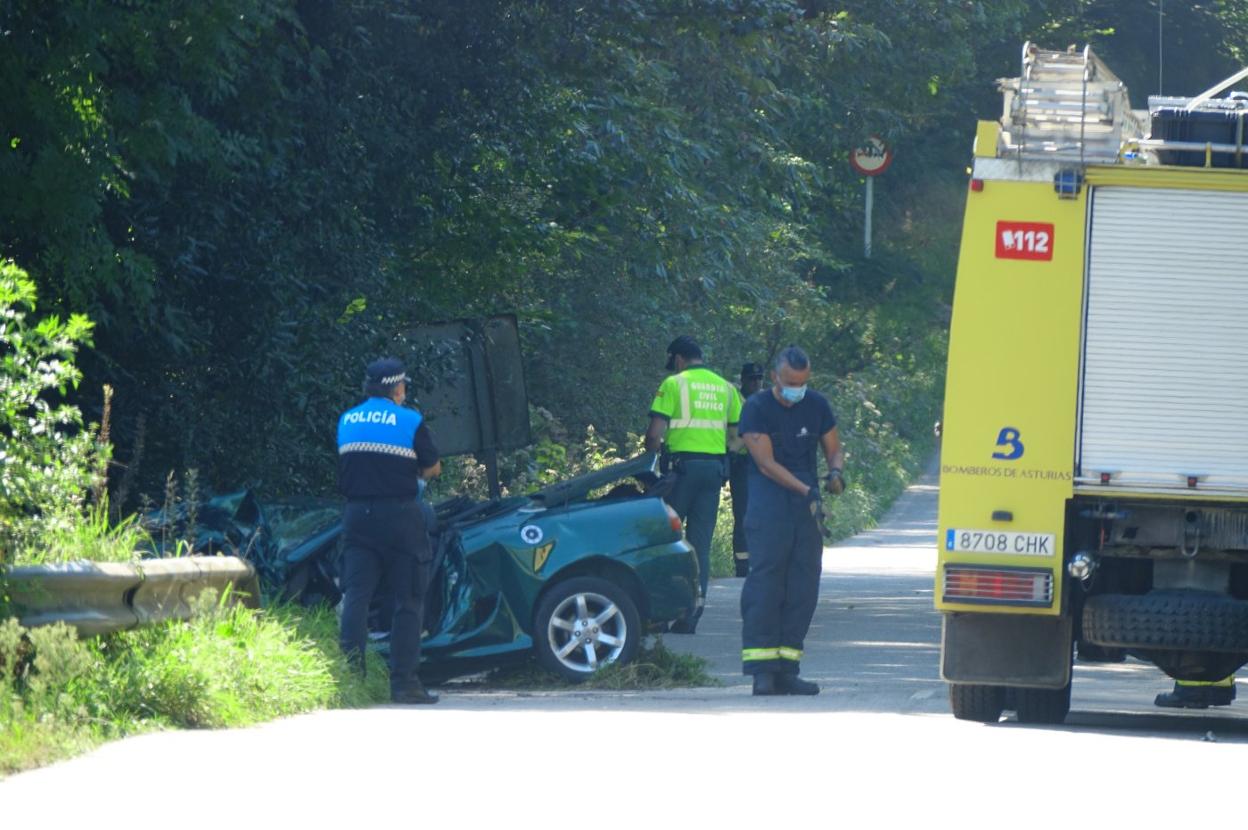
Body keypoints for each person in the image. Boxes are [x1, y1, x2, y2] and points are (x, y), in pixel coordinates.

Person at [738, 345, 844, 695]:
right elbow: (766, 464)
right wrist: (806, 490)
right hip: (770, 502)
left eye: (802, 383)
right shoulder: (756, 408)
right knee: (767, 583)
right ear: (775, 378)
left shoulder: (816, 405)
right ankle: (762, 672)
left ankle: (788, 669)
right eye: (789, 383)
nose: (796, 389)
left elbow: (833, 445)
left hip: (805, 507)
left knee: (803, 584)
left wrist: (835, 471)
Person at [337, 357, 443, 705]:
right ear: (398, 388)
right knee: (409, 599)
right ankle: (404, 684)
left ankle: (351, 680)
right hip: (400, 517)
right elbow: (432, 467)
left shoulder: (347, 419)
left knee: (357, 595)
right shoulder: (410, 420)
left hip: (356, 516)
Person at [645, 335, 742, 633]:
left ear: (678, 359)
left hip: (680, 472)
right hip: (713, 472)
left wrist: (649, 459)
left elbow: (654, 434)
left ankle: (661, 613)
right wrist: (722, 459)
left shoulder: (674, 384)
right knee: (700, 543)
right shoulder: (727, 389)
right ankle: (692, 613)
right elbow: (737, 440)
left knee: (667, 540)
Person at [729, 362, 766, 577]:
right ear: (743, 379)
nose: (756, 382)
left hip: (762, 465)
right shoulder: (735, 399)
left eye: (759, 378)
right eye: (752, 378)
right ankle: (742, 565)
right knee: (743, 515)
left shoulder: (765, 402)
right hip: (741, 464)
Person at [1155, 675, 1237, 709]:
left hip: (1191, 691)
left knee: (1195, 641)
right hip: (1224, 690)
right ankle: (1220, 691)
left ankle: (1192, 690)